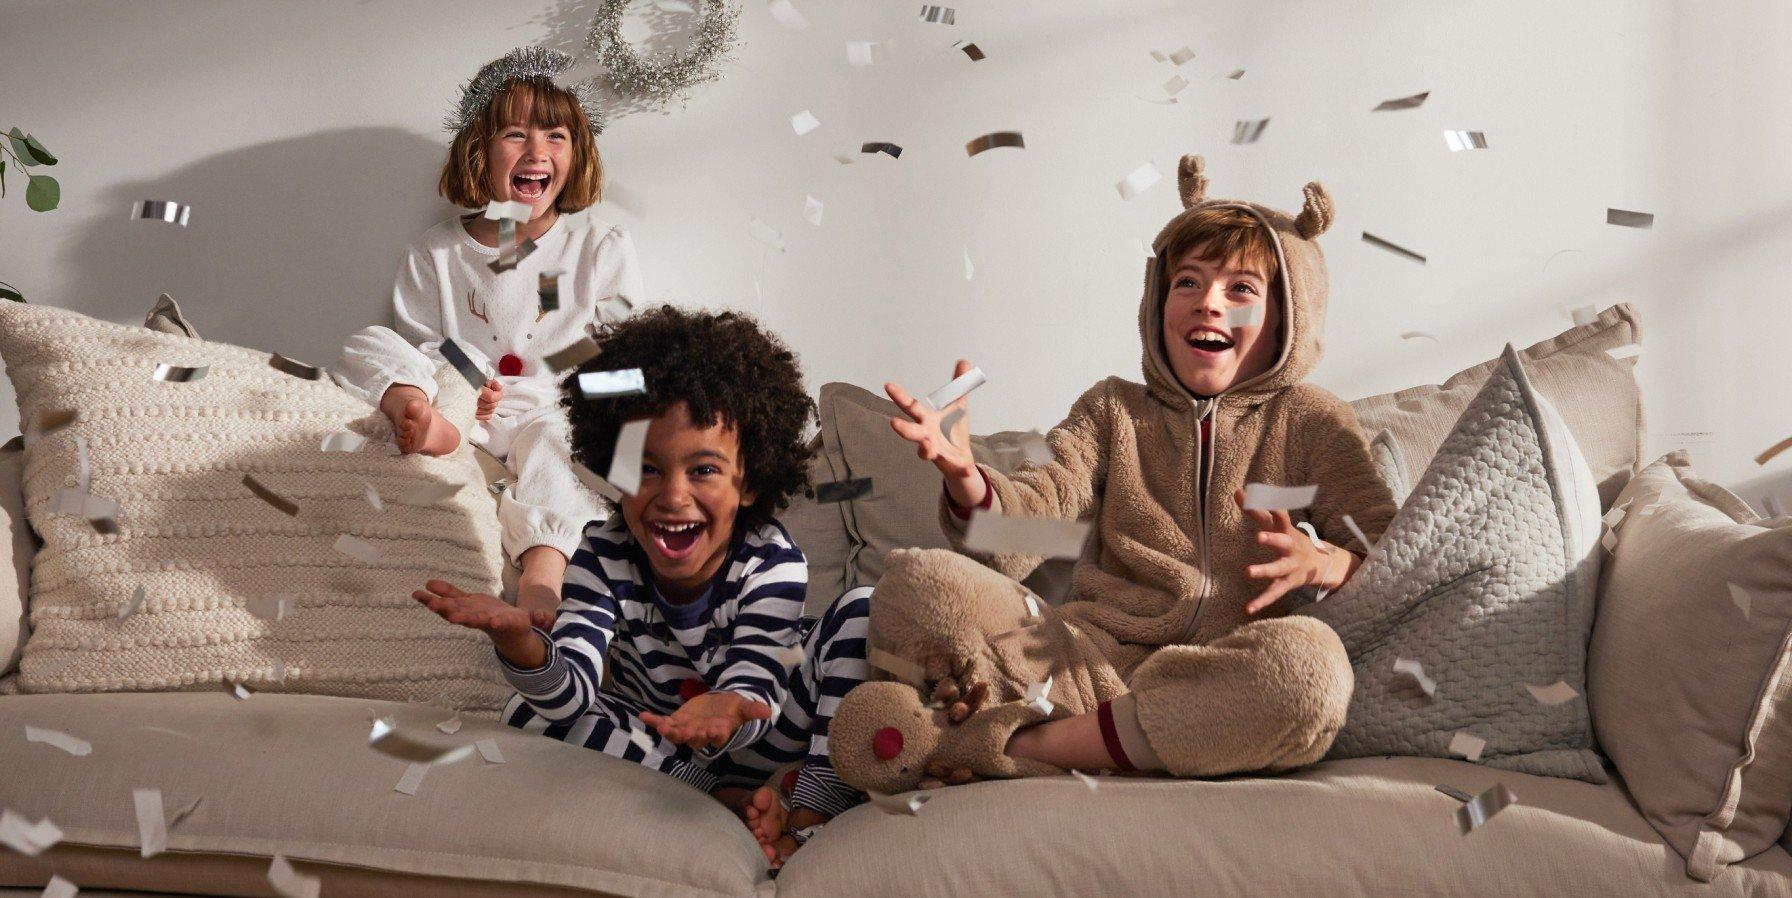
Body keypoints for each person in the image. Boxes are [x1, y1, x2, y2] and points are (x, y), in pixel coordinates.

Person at [829, 155, 1401, 791]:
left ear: (1289, 319)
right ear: (1158, 305)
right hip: (1082, 666)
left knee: (1310, 674)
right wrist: (967, 478)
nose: (1210, 303)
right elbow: (1036, 526)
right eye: (1187, 282)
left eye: (1242, 290)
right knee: (913, 580)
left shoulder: (1315, 422)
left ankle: (1019, 746)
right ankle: (1077, 737)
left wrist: (1325, 564)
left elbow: (1396, 556)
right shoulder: (1110, 409)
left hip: (1217, 682)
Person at [412, 307, 867, 866]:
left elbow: (760, 675)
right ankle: (711, 799)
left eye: (702, 470)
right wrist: (520, 645)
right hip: (667, 748)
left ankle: (809, 814)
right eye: (648, 470)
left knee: (861, 611)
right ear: (614, 472)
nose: (673, 497)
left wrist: (727, 705)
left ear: (748, 483)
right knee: (527, 712)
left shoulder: (772, 558)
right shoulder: (602, 553)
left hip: (768, 727)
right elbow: (572, 689)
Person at [334, 47, 641, 621]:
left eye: (556, 136)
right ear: (481, 148)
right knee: (367, 343)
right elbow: (423, 343)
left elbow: (624, 359)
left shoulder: (600, 249)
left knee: (554, 442)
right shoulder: (438, 250)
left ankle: (542, 582)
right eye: (516, 134)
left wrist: (563, 387)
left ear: (578, 153)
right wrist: (465, 387)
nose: (537, 152)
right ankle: (422, 422)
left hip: (555, 412)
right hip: (463, 412)